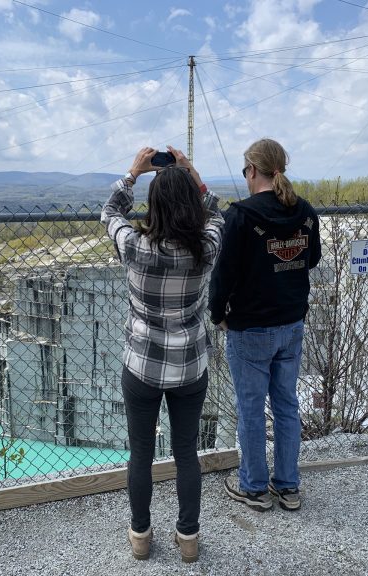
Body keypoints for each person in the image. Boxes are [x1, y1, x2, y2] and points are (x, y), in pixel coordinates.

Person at [101, 146, 224, 562]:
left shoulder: (135, 248)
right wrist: (192, 171)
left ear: (153, 206)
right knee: (186, 451)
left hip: (142, 365)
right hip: (190, 365)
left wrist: (132, 174)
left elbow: (109, 213)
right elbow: (218, 213)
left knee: (141, 452)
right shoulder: (206, 248)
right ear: (191, 205)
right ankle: (188, 537)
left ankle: (141, 535)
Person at [208, 138, 321, 512]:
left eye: (245, 171)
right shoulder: (304, 212)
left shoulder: (240, 216)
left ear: (252, 171)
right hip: (291, 323)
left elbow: (223, 276)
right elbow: (313, 258)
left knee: (252, 408)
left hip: (251, 327)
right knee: (287, 404)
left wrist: (217, 314)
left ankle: (254, 488)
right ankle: (288, 486)